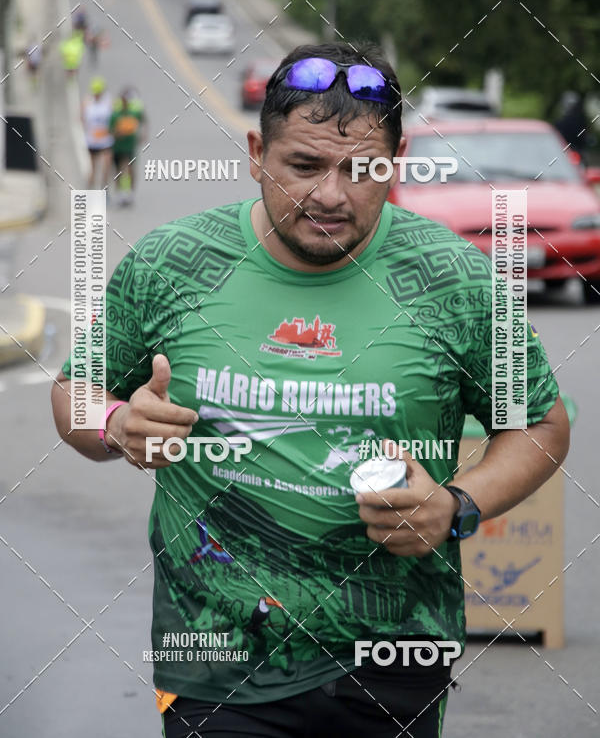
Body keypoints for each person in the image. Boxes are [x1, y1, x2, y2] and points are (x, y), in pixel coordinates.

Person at [51, 41, 569, 738]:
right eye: (304, 165)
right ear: (257, 151)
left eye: (362, 169)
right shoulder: (171, 262)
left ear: (398, 160)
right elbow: (74, 389)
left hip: (392, 652)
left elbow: (540, 423)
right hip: (217, 654)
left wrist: (456, 505)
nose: (331, 193)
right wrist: (116, 423)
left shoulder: (458, 279)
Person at [109, 87, 146, 206]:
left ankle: (130, 192)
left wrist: (143, 134)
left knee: (130, 169)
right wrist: (117, 133)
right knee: (118, 170)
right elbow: (110, 130)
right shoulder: (115, 115)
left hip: (129, 146)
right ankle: (119, 193)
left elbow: (143, 119)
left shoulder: (133, 113)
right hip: (118, 147)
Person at [82, 76, 114, 191]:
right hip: (92, 141)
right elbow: (81, 119)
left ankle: (105, 190)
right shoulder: (87, 103)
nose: (97, 95)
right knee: (93, 169)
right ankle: (88, 191)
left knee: (106, 166)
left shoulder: (108, 102)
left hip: (106, 140)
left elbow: (114, 118)